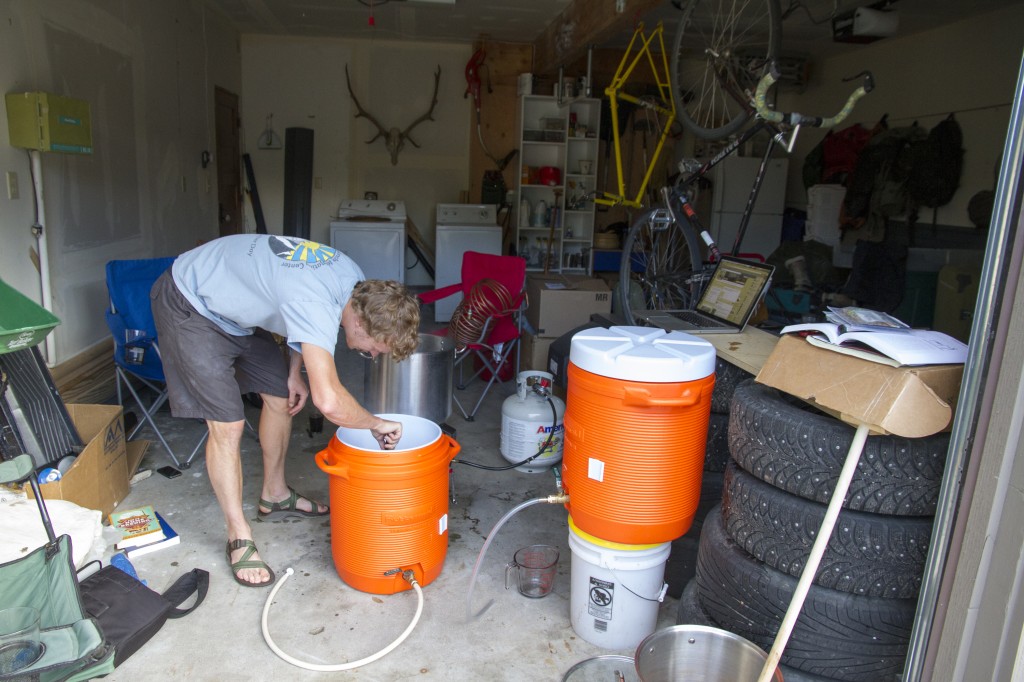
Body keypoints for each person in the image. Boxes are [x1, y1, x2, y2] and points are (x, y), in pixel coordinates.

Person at [150, 234, 420, 587]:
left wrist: (295, 371)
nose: (372, 355)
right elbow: (329, 401)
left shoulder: (354, 283)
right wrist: (376, 424)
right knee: (228, 426)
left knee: (281, 395)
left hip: (233, 309)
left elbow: (301, 319)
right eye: (375, 348)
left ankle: (275, 496)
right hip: (190, 302)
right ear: (359, 324)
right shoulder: (317, 301)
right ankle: (238, 535)